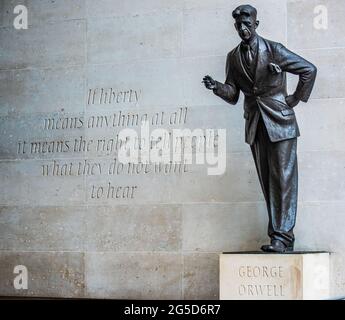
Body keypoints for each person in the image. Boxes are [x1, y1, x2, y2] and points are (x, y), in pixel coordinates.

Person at [203, 4, 317, 252]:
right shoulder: (233, 57)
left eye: (247, 24)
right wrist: (217, 87)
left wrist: (294, 99)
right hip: (256, 124)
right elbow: (233, 94)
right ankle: (281, 237)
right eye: (239, 26)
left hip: (281, 122)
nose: (243, 29)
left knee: (283, 180)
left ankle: (281, 238)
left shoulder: (274, 50)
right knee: (268, 181)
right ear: (235, 27)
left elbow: (309, 70)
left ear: (256, 24)